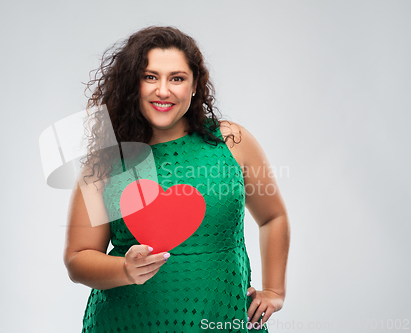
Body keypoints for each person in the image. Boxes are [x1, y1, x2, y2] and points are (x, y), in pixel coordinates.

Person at [64, 26, 290, 332]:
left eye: (177, 78)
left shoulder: (230, 142)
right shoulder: (108, 160)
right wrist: (125, 269)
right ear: (134, 84)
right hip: (126, 323)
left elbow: (273, 217)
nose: (163, 90)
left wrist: (275, 292)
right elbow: (78, 257)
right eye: (150, 77)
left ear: (195, 85)